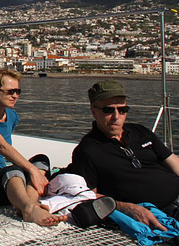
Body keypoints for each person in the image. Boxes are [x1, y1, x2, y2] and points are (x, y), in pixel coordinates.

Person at [0, 68, 66, 227]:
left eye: (17, 91)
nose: (15, 95)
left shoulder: (13, 116)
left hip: (0, 180)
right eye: (10, 91)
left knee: (41, 160)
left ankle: (29, 204)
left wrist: (33, 169)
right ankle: (29, 208)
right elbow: (1, 146)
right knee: (15, 170)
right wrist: (32, 171)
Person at [67, 79, 179, 229]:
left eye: (122, 110)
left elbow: (173, 163)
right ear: (93, 110)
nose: (116, 116)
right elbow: (88, 195)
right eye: (108, 110)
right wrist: (128, 207)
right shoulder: (88, 150)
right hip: (158, 213)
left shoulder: (141, 132)